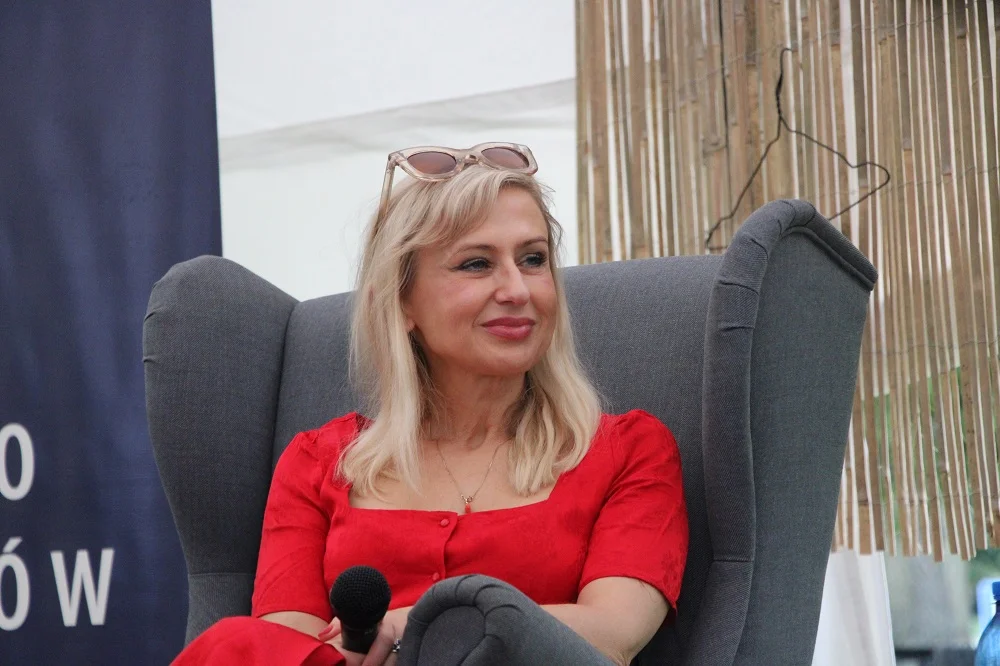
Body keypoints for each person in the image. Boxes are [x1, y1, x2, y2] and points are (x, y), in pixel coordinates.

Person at [173, 142, 689, 666]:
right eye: (476, 264)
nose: (517, 289)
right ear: (401, 301)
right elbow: (284, 649)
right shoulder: (318, 463)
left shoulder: (628, 451)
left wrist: (423, 624)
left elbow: (613, 635)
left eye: (533, 259)